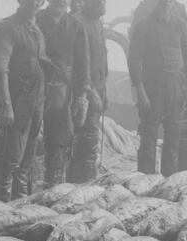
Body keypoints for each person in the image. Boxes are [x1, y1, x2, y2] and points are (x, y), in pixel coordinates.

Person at [0, 0, 48, 201]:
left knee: (26, 162)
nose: (36, 2)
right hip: (16, 104)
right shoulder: (7, 28)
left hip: (35, 104)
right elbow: (0, 69)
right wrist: (6, 105)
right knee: (8, 161)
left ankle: (19, 209)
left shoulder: (36, 31)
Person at [129, 0, 187, 176]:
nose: (166, 3)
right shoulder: (143, 26)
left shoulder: (181, 25)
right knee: (149, 136)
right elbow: (134, 61)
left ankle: (169, 180)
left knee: (173, 136)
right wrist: (140, 93)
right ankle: (145, 180)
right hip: (152, 88)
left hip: (176, 86)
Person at [36, 0, 90, 187]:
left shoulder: (76, 27)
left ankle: (54, 184)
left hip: (63, 90)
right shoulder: (35, 19)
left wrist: (81, 95)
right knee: (26, 136)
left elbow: (83, 65)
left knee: (59, 139)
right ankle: (22, 189)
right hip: (34, 86)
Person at [71, 0, 108, 183]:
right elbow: (77, 62)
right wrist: (91, 90)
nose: (103, 5)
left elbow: (102, 58)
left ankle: (87, 180)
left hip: (98, 87)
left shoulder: (98, 24)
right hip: (83, 91)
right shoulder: (77, 22)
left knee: (91, 137)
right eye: (100, 2)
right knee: (84, 137)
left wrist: (104, 90)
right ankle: (79, 182)